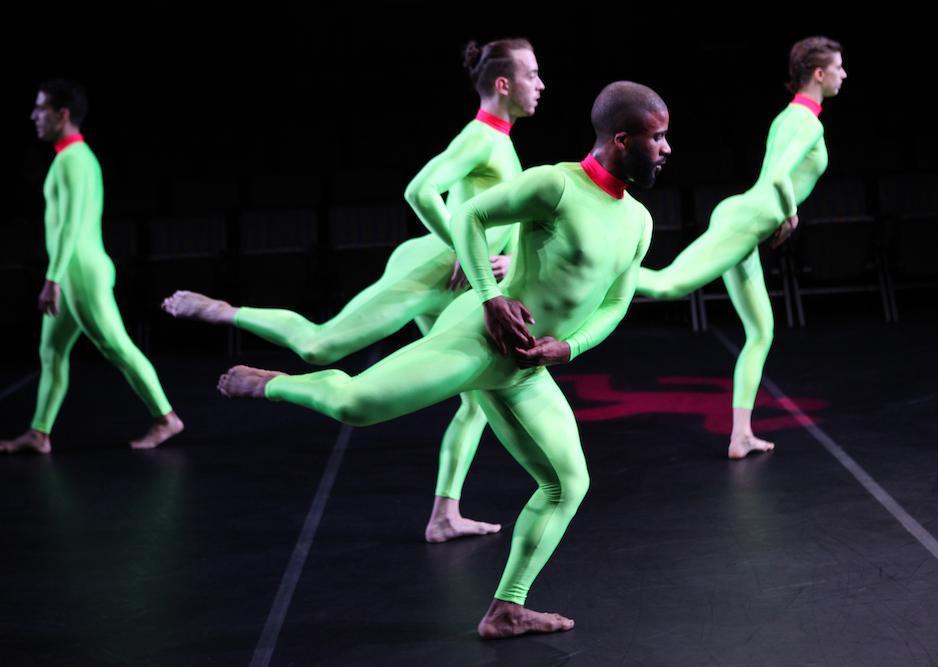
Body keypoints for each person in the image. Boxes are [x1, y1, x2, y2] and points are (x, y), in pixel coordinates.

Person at [217, 81, 669, 638]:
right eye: (658, 137)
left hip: (528, 369)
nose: (667, 148)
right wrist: (488, 296)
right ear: (622, 139)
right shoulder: (555, 184)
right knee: (357, 404)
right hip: (480, 340)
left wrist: (568, 348)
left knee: (568, 483)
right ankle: (275, 383)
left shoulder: (640, 222)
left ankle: (506, 608)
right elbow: (469, 217)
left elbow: (617, 302)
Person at [162, 39, 544, 542]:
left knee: (474, 401)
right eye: (532, 74)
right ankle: (225, 312)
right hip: (435, 269)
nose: (539, 85)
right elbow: (419, 190)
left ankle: (444, 515)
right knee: (320, 345)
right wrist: (460, 246)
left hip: (462, 282)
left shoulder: (503, 141)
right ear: (503, 84)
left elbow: (500, 222)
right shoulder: (481, 138)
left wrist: (507, 257)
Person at [636, 36, 845, 459]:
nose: (844, 75)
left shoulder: (788, 117)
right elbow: (780, 178)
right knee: (665, 286)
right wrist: (791, 216)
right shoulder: (809, 123)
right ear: (819, 74)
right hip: (747, 220)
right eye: (839, 68)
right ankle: (575, 264)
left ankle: (741, 434)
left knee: (760, 331)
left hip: (745, 221)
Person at [0, 80, 183, 454]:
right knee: (51, 351)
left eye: (40, 108)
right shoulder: (71, 158)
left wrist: (52, 278)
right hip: (71, 270)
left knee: (117, 347)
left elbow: (70, 224)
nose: (34, 116)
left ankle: (166, 418)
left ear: (62, 114)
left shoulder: (73, 160)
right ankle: (39, 433)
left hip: (79, 271)